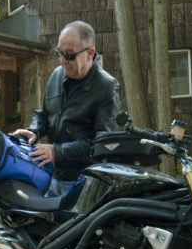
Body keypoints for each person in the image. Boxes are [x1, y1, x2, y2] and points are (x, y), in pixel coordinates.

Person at [12, 21, 121, 196]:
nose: (63, 61)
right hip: (51, 175)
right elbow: (44, 114)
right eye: (60, 53)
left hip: (84, 182)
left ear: (90, 53)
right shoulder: (56, 75)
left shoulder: (107, 86)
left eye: (69, 55)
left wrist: (57, 152)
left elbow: (103, 145)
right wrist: (34, 131)